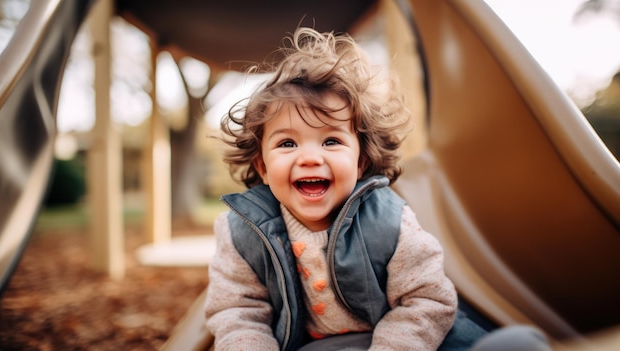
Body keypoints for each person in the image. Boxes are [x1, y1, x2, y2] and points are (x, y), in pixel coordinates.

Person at [202, 27, 550, 351]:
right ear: (262, 166)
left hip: (408, 341)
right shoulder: (241, 232)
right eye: (288, 144)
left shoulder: (389, 221)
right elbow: (237, 310)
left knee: (517, 345)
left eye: (331, 141)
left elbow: (427, 300)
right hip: (319, 347)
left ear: (361, 162)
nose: (309, 157)